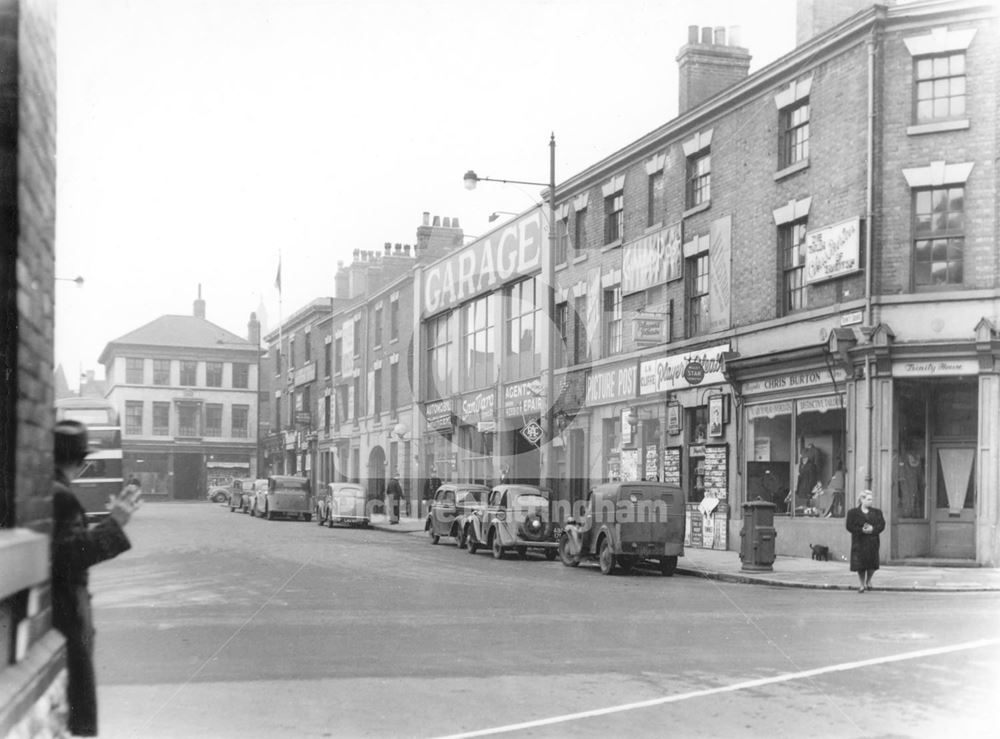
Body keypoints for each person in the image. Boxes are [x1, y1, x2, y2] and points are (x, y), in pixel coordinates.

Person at [51, 420, 142, 736]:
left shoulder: (47, 491)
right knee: (78, 710)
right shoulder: (61, 496)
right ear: (79, 460)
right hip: (65, 612)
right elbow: (68, 555)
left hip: (57, 613)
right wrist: (115, 523)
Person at [845, 490, 885, 593]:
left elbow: (882, 525)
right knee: (860, 565)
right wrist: (861, 530)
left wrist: (873, 529)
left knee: (872, 565)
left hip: (872, 541)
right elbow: (849, 526)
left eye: (871, 499)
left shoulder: (877, 512)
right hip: (859, 541)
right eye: (868, 499)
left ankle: (869, 580)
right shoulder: (852, 513)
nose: (871, 501)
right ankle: (862, 584)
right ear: (862, 500)